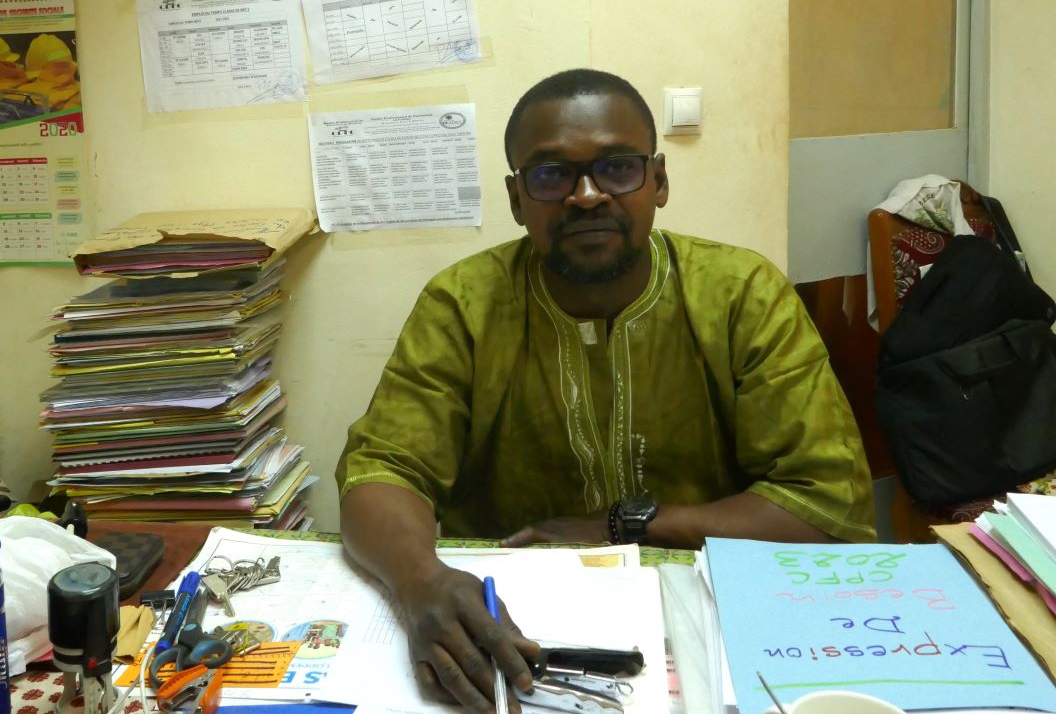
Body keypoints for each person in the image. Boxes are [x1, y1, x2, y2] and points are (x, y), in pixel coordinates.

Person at [334, 68, 874, 713]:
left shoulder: (740, 294)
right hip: (511, 631)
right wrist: (419, 580)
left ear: (659, 182)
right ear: (516, 199)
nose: (586, 196)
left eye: (617, 167)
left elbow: (823, 500)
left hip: (712, 610)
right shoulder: (464, 304)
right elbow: (382, 470)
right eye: (550, 174)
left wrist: (623, 527)